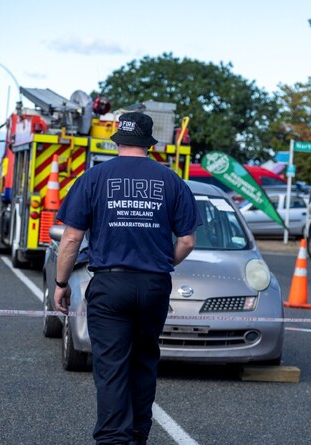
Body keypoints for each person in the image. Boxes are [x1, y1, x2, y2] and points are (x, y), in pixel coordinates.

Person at [54, 112, 200, 445]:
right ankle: (137, 437)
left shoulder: (94, 178)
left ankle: (112, 440)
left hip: (110, 285)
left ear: (118, 140)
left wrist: (61, 285)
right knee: (144, 361)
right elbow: (188, 241)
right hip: (154, 285)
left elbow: (72, 239)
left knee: (111, 369)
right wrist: (160, 264)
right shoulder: (172, 180)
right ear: (150, 144)